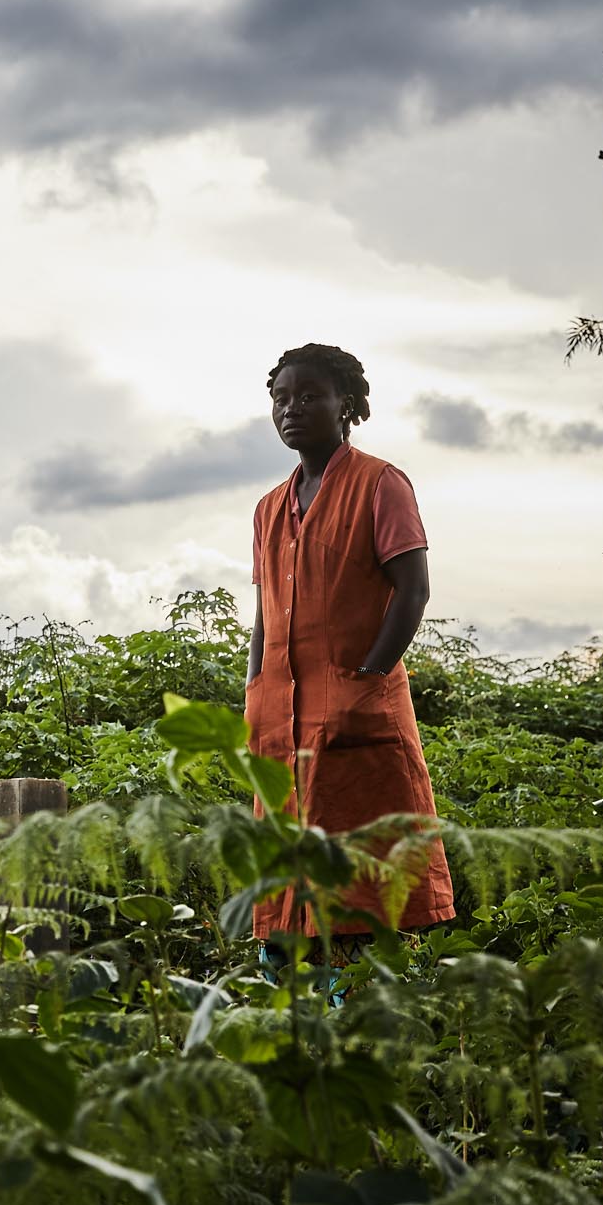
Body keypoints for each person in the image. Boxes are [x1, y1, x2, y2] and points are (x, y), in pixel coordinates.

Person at [244, 342, 455, 958]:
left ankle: (362, 1019)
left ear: (348, 406)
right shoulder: (266, 510)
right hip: (281, 724)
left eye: (310, 396)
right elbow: (263, 614)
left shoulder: (379, 483)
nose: (293, 409)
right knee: (287, 883)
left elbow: (412, 590)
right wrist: (254, 687)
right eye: (282, 399)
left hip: (357, 714)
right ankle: (294, 1027)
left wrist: (368, 676)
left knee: (365, 881)